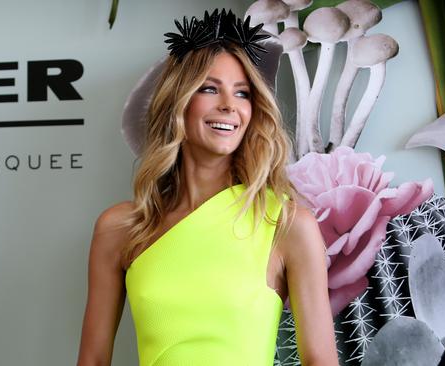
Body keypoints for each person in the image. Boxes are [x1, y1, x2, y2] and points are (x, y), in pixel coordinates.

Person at [77, 9, 338, 366]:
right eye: (210, 88)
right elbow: (92, 360)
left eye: (243, 93)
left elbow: (321, 361)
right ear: (178, 103)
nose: (230, 106)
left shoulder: (287, 225)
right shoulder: (121, 228)